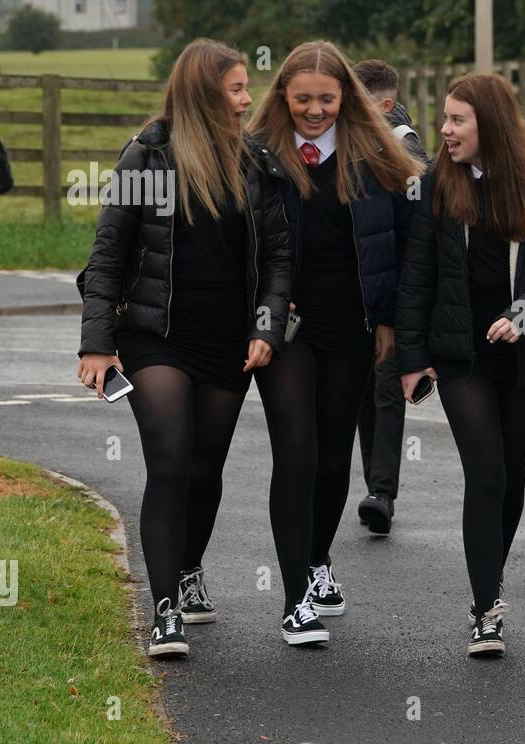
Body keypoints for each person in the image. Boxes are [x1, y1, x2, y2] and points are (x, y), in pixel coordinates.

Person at [76, 38, 291, 656]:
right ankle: (164, 608)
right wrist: (97, 343)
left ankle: (190, 569)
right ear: (202, 93)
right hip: (154, 337)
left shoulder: (255, 161)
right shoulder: (147, 157)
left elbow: (278, 256)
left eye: (247, 87)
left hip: (227, 340)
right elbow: (109, 255)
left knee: (205, 467)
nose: (248, 99)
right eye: (236, 89)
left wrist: (266, 326)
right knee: (170, 463)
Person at [241, 42, 419, 637]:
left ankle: (318, 560)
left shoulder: (378, 156)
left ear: (345, 97)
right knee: (297, 451)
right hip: (286, 324)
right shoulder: (259, 156)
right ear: (283, 98)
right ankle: (295, 598)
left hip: (353, 322)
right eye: (302, 100)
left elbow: (399, 244)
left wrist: (390, 320)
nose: (314, 111)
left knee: (335, 455)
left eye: (325, 99)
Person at [395, 72, 525, 658]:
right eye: (444, 119)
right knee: (487, 473)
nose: (444, 130)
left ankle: (489, 582)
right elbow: (417, 275)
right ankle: (485, 608)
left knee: (513, 479)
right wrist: (412, 358)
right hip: (460, 354)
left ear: (489, 124)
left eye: (456, 120)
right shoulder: (434, 185)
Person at [351, 57, 431, 534]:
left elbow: (417, 231)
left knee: (386, 390)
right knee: (365, 393)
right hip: (360, 292)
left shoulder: (405, 149)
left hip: (396, 292)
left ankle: (383, 491)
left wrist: (405, 305)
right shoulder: (357, 140)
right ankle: (374, 486)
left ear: (384, 103)